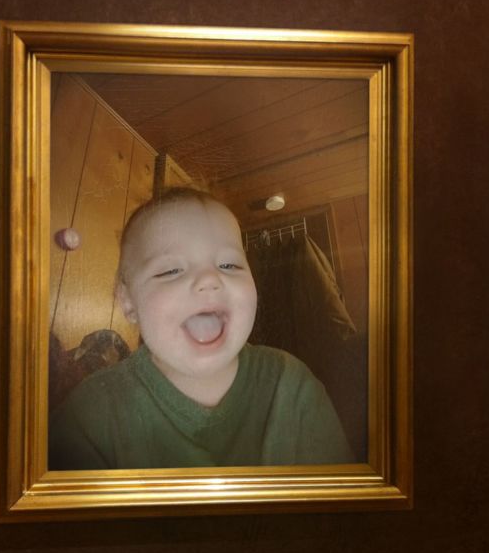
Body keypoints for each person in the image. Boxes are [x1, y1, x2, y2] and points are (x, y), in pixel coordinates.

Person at [49, 188, 355, 469]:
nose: (210, 279)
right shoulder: (91, 416)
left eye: (229, 265)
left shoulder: (290, 384)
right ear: (128, 301)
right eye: (171, 270)